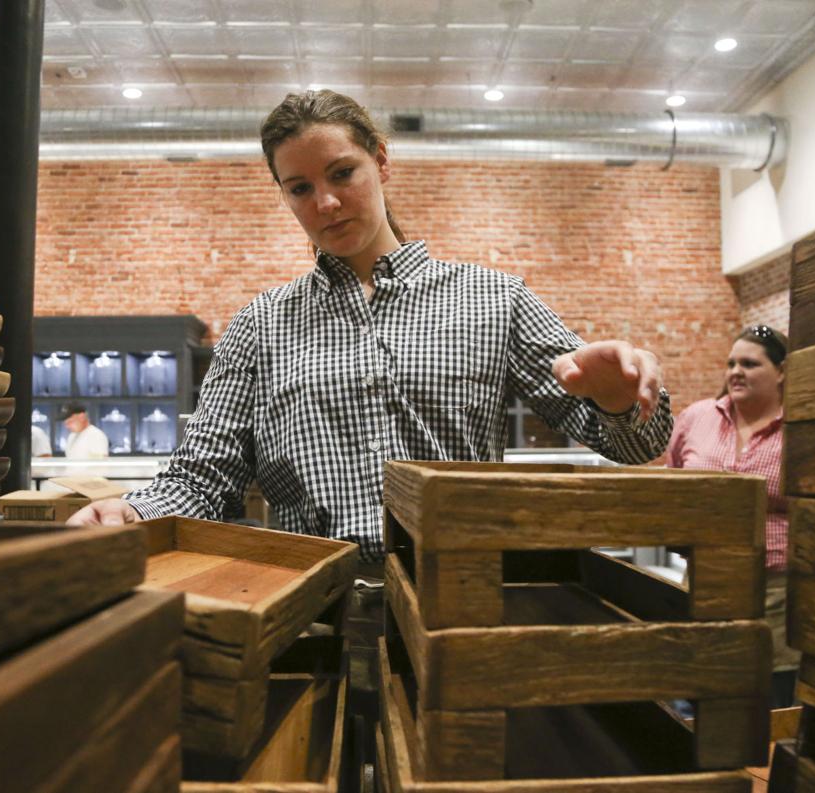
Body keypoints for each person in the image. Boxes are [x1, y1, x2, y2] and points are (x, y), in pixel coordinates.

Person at [67, 89, 676, 750]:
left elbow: (637, 444)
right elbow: (204, 474)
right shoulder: (260, 326)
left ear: (381, 161)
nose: (324, 203)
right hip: (313, 622)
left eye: (341, 173)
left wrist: (618, 398)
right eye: (298, 187)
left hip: (461, 621)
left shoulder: (493, 300)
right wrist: (131, 513)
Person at [666, 324, 815, 707]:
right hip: (703, 582)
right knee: (696, 690)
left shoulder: (806, 431)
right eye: (731, 363)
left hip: (778, 590)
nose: (735, 371)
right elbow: (670, 484)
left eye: (749, 363)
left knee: (771, 702)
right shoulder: (697, 418)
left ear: (782, 371)